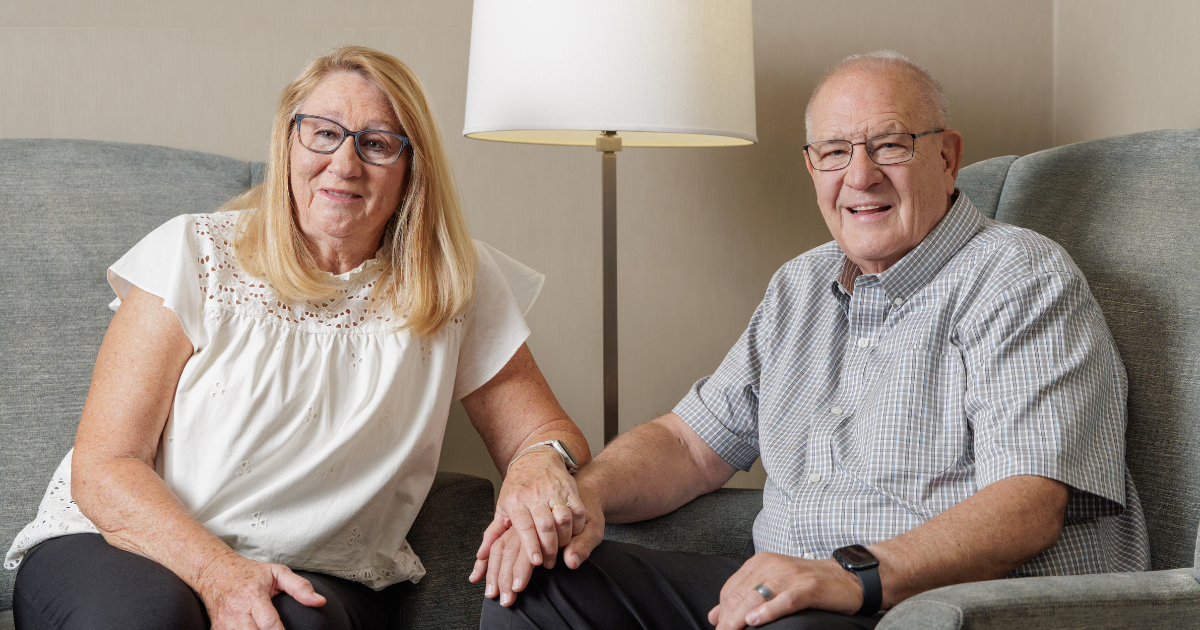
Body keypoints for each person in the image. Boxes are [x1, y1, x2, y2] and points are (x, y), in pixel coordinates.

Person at [475, 50, 1150, 630]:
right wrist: (584, 495)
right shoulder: (800, 286)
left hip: (934, 605)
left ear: (946, 157)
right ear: (812, 167)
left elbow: (1029, 506)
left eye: (889, 145)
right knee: (533, 585)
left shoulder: (1018, 276)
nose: (859, 176)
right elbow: (689, 444)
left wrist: (849, 575)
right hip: (789, 597)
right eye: (834, 152)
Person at [6, 45, 590, 630]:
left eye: (378, 142)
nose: (345, 163)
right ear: (288, 142)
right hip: (120, 544)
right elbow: (105, 466)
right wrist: (219, 574)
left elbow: (543, 432)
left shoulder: (454, 281)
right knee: (143, 620)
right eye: (323, 134)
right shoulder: (195, 253)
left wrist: (541, 465)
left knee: (291, 623)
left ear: (412, 167)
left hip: (321, 569)